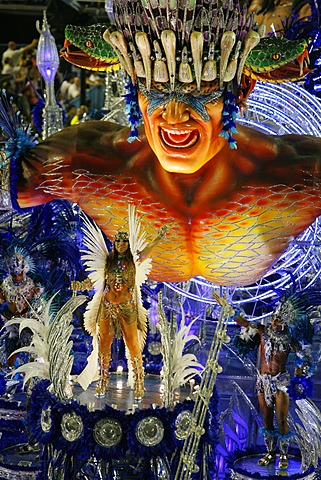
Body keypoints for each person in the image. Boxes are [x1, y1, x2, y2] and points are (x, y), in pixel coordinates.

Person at [1, 0, 321, 288]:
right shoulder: (87, 163)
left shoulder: (299, 175)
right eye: (155, 90)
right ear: (133, 89)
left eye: (201, 89)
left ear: (241, 90)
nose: (174, 116)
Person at [213, 293, 312, 470]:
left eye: (278, 319)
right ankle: (270, 452)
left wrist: (300, 370)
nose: (274, 321)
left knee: (281, 419)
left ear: (285, 321)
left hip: (281, 382)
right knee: (266, 418)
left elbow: (303, 357)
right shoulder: (263, 331)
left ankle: (283, 454)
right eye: (274, 317)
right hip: (263, 381)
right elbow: (243, 322)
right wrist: (226, 306)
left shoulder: (290, 339)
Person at [72, 217, 167, 399]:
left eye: (125, 241)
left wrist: (158, 238)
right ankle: (102, 381)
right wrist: (80, 285)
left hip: (127, 308)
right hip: (107, 307)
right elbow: (95, 280)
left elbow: (146, 254)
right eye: (119, 241)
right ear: (114, 243)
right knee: (104, 346)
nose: (122, 244)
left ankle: (139, 383)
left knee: (133, 346)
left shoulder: (133, 261)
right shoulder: (107, 262)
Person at [0, 249, 42, 367]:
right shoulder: (4, 286)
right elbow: (2, 306)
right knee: (11, 348)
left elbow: (37, 306)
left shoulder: (32, 285)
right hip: (11, 325)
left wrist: (31, 317)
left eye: (19, 274)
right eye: (14, 274)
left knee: (33, 349)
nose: (17, 277)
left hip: (28, 323)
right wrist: (9, 316)